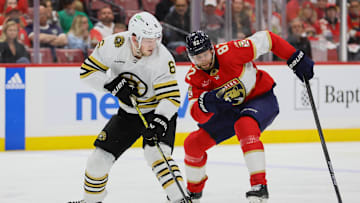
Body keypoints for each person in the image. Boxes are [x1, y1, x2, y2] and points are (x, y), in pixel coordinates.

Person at [69, 11, 191, 203]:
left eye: (156, 38)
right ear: (134, 38)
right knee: (98, 159)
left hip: (157, 112)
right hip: (128, 114)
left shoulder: (163, 59)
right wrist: (112, 84)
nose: (153, 44)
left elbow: (171, 98)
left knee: (156, 154)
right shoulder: (113, 45)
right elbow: (87, 72)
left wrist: (158, 122)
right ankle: (91, 201)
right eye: (148, 40)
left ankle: (180, 199)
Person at [183, 30, 314, 203]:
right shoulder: (195, 77)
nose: (203, 61)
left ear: (212, 50)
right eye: (196, 58)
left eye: (205, 55)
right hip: (230, 111)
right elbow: (196, 114)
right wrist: (207, 102)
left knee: (245, 125)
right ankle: (193, 194)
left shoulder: (231, 51)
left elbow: (268, 39)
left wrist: (295, 57)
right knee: (192, 144)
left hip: (260, 98)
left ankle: (259, 187)